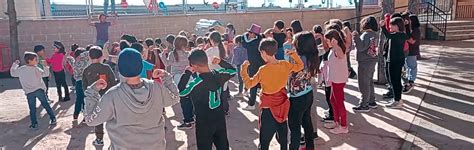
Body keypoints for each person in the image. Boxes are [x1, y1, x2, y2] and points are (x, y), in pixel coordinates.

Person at [83, 48, 179, 149]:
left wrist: (92, 92)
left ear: (119, 69)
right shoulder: (156, 88)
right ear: (141, 66)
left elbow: (90, 120)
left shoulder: (112, 95)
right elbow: (175, 97)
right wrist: (166, 76)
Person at [241, 38, 304, 150]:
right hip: (282, 106)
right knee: (283, 140)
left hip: (268, 108)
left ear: (263, 53)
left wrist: (243, 70)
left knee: (264, 142)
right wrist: (293, 54)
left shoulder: (263, 70)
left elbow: (249, 84)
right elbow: (300, 66)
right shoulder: (285, 65)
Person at [179, 50, 236, 150]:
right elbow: (233, 71)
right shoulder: (219, 74)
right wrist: (220, 62)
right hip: (219, 119)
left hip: (204, 123)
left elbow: (182, 92)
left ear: (194, 66)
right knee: (223, 146)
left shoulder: (196, 83)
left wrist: (187, 73)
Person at [287, 32, 320, 150]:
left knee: (294, 128)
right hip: (307, 92)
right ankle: (310, 146)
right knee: (307, 123)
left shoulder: (298, 58)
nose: (292, 43)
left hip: (297, 97)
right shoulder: (312, 57)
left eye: (294, 41)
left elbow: (289, 74)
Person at [10, 52, 57, 130]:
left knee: (32, 108)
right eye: (36, 59)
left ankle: (34, 124)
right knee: (46, 105)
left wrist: (15, 65)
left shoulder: (22, 69)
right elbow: (45, 74)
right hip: (39, 90)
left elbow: (13, 73)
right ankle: (53, 118)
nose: (37, 61)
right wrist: (45, 66)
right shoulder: (36, 68)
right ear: (29, 60)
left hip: (29, 92)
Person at [82, 47, 118, 146]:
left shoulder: (86, 70)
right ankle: (115, 140)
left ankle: (99, 139)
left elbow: (85, 88)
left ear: (89, 57)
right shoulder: (106, 68)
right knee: (113, 118)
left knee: (97, 119)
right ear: (102, 56)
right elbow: (114, 82)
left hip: (95, 99)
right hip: (108, 98)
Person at [160, 35, 195, 129]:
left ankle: (188, 121)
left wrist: (163, 54)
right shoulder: (188, 54)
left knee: (183, 100)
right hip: (188, 77)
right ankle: (191, 118)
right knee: (189, 98)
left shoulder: (172, 54)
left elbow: (166, 64)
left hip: (177, 79)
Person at [323, 29, 349, 134]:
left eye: (328, 40)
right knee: (333, 100)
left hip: (338, 80)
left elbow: (341, 55)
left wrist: (335, 45)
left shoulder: (338, 49)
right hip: (334, 79)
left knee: (339, 102)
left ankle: (343, 126)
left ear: (333, 39)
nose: (327, 43)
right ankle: (336, 121)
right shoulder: (333, 49)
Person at [352, 16, 379, 112]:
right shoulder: (375, 35)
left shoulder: (366, 34)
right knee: (369, 82)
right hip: (371, 60)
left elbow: (360, 47)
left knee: (363, 84)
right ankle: (372, 101)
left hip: (364, 62)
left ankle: (364, 104)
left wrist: (355, 37)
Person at [381, 17, 408, 108]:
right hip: (390, 60)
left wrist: (383, 27)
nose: (390, 27)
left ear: (397, 26)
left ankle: (398, 100)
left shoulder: (400, 35)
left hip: (396, 61)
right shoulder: (395, 34)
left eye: (391, 25)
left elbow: (388, 35)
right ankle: (396, 98)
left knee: (395, 81)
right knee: (392, 81)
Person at [241, 23, 264, 111]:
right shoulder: (260, 40)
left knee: (253, 84)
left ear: (254, 34)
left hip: (254, 66)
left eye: (250, 32)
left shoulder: (253, 43)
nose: (248, 34)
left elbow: (244, 42)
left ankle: (251, 104)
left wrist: (245, 35)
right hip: (261, 64)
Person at [207, 31, 231, 114]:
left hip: (214, 75)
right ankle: (225, 109)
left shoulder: (209, 51)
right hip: (224, 75)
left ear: (212, 40)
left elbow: (207, 63)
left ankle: (217, 109)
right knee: (223, 92)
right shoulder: (223, 49)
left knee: (215, 93)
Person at [66, 47, 90, 123]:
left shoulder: (75, 62)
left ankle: (76, 115)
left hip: (78, 83)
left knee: (79, 99)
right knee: (85, 99)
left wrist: (70, 56)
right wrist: (82, 55)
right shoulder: (86, 62)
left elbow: (69, 58)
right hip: (85, 82)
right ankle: (85, 117)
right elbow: (89, 52)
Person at [403, 14, 421, 93]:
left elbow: (412, 41)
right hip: (408, 51)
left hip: (412, 51)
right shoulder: (412, 29)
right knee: (408, 66)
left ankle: (411, 81)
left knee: (412, 66)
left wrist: (405, 35)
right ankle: (408, 80)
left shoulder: (416, 30)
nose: (408, 21)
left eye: (409, 20)